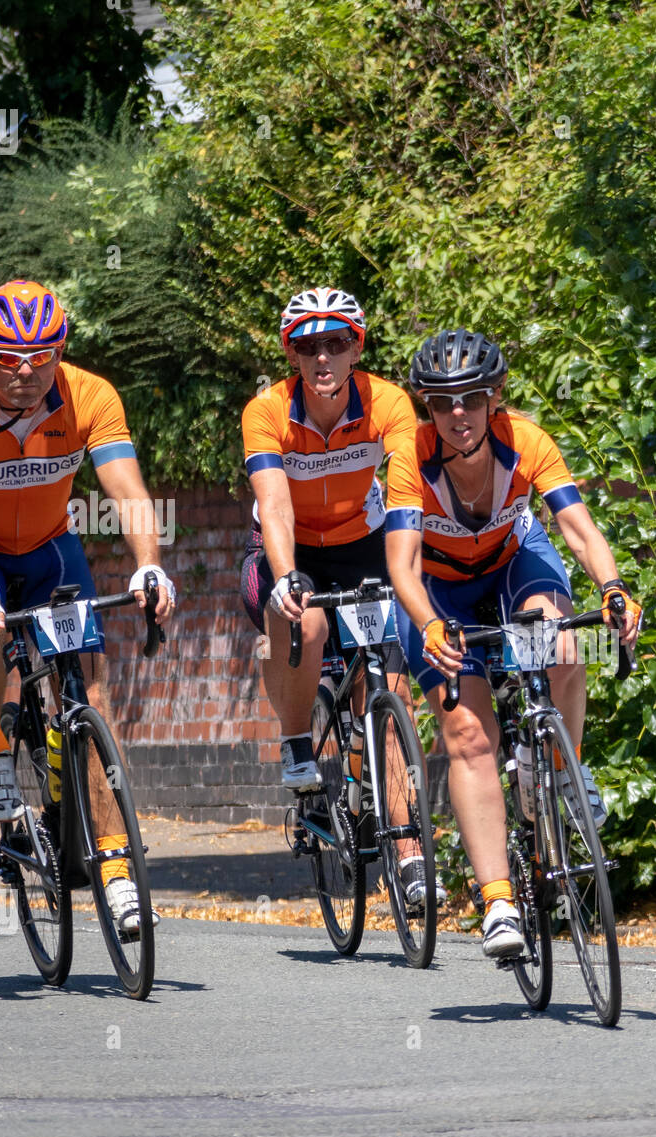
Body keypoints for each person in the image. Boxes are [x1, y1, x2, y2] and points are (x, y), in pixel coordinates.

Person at [0, 279, 175, 937]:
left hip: (49, 549)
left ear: (60, 350)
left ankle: (116, 872)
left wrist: (149, 560)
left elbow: (127, 489)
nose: (26, 370)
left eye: (41, 354)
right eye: (9, 357)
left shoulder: (91, 396)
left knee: (91, 690)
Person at [385, 329, 640, 960]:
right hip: (439, 591)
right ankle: (498, 898)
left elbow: (577, 527)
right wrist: (428, 624)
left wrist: (612, 588)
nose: (460, 414)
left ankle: (561, 766)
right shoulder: (408, 458)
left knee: (560, 644)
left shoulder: (525, 441)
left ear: (495, 397)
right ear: (427, 407)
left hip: (512, 565)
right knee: (468, 734)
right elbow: (401, 563)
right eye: (443, 403)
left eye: (473, 398)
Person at [240, 286, 438, 906]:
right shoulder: (267, 409)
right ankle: (299, 741)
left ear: (357, 347)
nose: (322, 357)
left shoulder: (389, 403)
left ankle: (407, 851)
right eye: (308, 346)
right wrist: (288, 575)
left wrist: (408, 568)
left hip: (361, 542)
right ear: (291, 354)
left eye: (336, 344)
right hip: (286, 546)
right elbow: (273, 503)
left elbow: (407, 493)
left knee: (387, 684)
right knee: (310, 628)